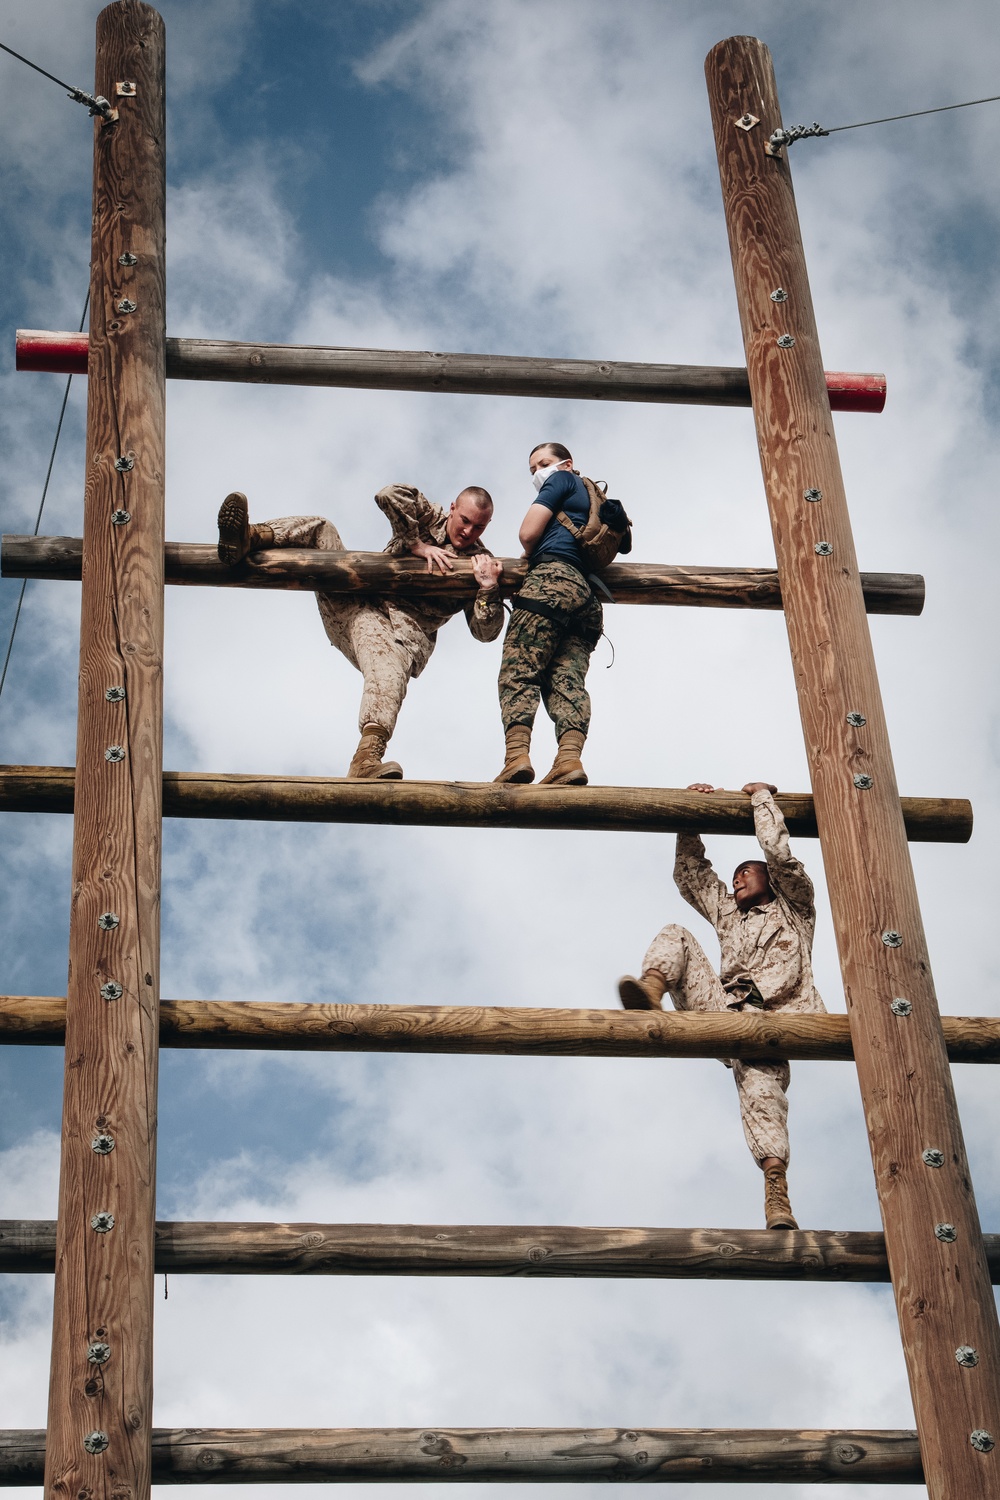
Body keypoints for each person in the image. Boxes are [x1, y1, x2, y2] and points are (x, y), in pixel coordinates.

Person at [617, 781, 825, 1230]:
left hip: (775, 1018)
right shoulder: (729, 913)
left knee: (761, 1089)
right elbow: (691, 875)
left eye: (746, 872)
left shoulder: (796, 908)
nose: (737, 879)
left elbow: (779, 852)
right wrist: (690, 816)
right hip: (723, 1009)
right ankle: (651, 992)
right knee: (675, 932)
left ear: (769, 880)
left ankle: (775, 1187)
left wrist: (760, 798)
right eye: (734, 877)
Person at [216, 485, 504, 778]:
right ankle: (248, 539)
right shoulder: (428, 517)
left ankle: (366, 759)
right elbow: (388, 494)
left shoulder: (479, 563)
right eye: (465, 520)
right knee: (322, 529)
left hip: (398, 638)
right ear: (453, 508)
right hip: (355, 607)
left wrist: (488, 588)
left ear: (487, 526)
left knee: (388, 669)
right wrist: (415, 543)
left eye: (478, 527)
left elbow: (485, 633)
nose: (468, 531)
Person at [494, 441, 603, 786]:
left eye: (543, 463)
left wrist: (528, 556)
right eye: (532, 469)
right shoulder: (594, 497)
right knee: (566, 681)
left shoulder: (562, 481)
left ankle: (516, 759)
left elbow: (528, 533)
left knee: (519, 671)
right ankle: (569, 761)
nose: (538, 473)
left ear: (567, 464)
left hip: (550, 582)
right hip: (587, 601)